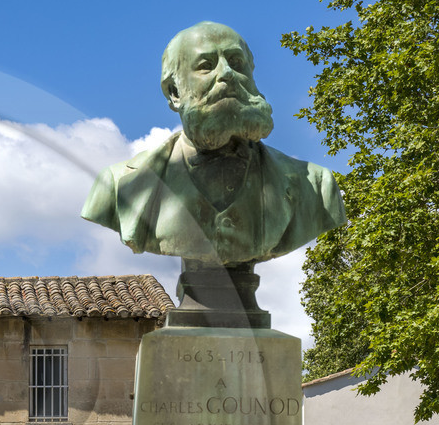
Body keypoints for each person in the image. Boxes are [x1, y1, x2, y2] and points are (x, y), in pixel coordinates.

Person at [81, 21, 344, 277]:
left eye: (236, 63)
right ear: (174, 92)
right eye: (206, 66)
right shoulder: (117, 186)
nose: (227, 74)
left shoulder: (317, 187)